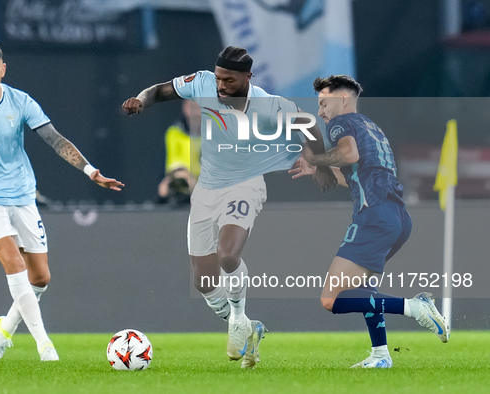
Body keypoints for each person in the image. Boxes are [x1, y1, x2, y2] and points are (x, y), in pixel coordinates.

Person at [122, 46, 336, 368]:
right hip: (207, 188)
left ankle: (237, 320)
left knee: (228, 255)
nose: (221, 86)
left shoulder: (268, 105)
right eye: (219, 78)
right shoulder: (204, 82)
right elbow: (160, 91)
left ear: (248, 77)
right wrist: (140, 99)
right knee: (203, 282)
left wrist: (320, 165)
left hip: (246, 184)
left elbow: (309, 126)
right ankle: (251, 328)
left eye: (230, 81)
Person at [0, 43, 124, 361]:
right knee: (13, 262)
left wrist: (89, 171)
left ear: (3, 69)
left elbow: (55, 139)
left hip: (21, 194)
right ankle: (46, 346)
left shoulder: (21, 101)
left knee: (40, 278)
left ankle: (3, 332)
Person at [290, 75, 449, 368]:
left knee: (332, 299)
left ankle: (415, 307)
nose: (321, 112)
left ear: (343, 100)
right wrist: (318, 171)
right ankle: (381, 355)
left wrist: (315, 160)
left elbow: (347, 153)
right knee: (364, 292)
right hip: (397, 218)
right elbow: (356, 177)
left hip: (374, 217)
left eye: (324, 104)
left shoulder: (341, 123)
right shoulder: (372, 128)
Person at [158, 100, 201, 206]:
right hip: (186, 182)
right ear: (185, 109)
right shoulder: (174, 133)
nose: (195, 112)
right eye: (191, 107)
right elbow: (176, 164)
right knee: (165, 188)